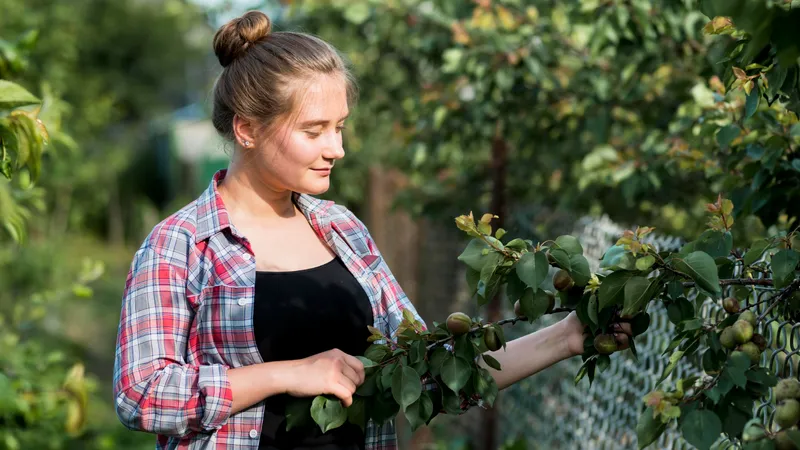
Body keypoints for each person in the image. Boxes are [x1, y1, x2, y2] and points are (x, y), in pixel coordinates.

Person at [112, 10, 634, 450]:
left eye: (338, 127)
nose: (336, 148)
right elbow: (141, 394)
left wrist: (566, 337)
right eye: (314, 130)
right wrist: (289, 373)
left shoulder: (341, 230)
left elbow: (430, 369)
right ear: (247, 129)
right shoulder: (181, 245)